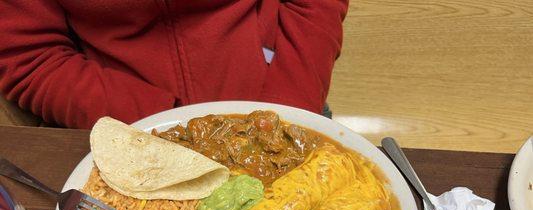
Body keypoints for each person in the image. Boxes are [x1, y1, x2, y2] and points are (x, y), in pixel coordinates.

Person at [0, 1, 348, 129]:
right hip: (126, 125)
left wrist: (288, 106)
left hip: (280, 95)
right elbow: (31, 57)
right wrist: (162, 119)